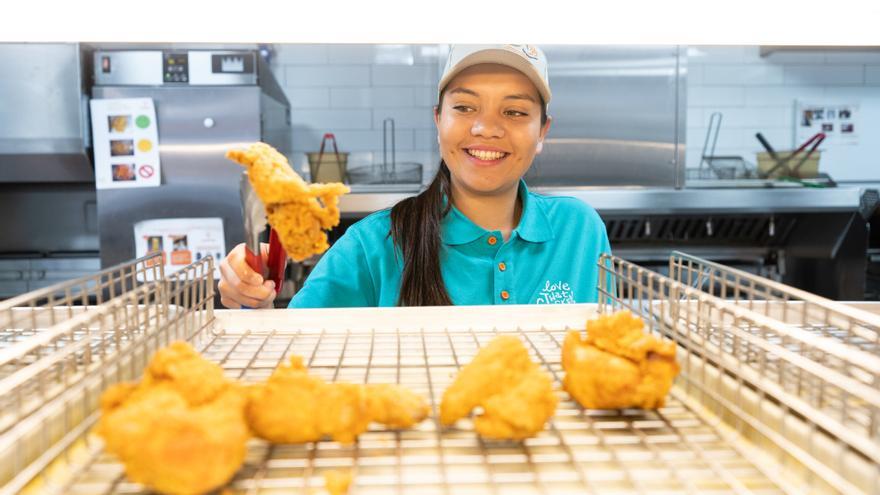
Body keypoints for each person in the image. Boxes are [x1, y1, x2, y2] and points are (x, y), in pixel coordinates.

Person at [219, 44, 611, 309]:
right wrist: (255, 298)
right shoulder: (374, 245)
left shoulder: (579, 230)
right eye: (465, 107)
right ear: (439, 120)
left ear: (542, 131)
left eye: (515, 112)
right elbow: (297, 349)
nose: (485, 129)